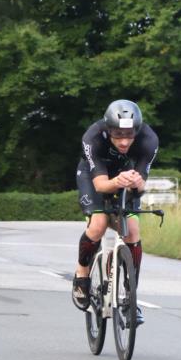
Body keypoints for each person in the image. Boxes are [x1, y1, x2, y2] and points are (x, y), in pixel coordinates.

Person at [72, 100, 158, 325]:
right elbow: (100, 186)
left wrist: (138, 183)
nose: (124, 141)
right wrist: (118, 181)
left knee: (133, 231)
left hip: (125, 176)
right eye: (118, 135)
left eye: (129, 136)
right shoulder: (92, 137)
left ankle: (131, 297)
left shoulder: (149, 141)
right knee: (99, 224)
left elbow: (140, 187)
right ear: (108, 130)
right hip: (95, 177)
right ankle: (82, 274)